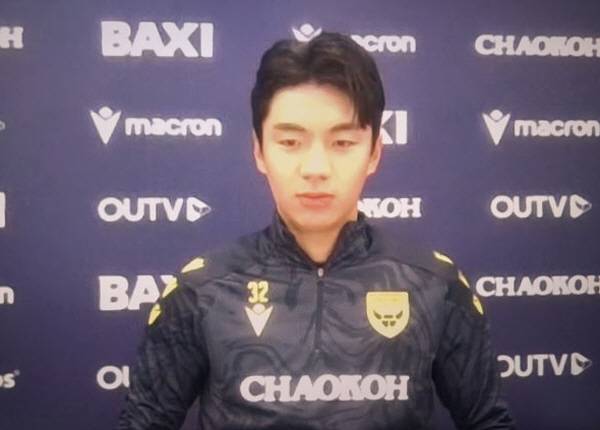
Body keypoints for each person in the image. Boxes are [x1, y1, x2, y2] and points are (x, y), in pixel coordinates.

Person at [117, 31, 515, 430]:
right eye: (291, 141)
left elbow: (488, 421)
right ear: (259, 151)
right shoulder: (203, 290)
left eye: (342, 142)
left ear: (374, 153)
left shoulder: (434, 284)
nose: (316, 168)